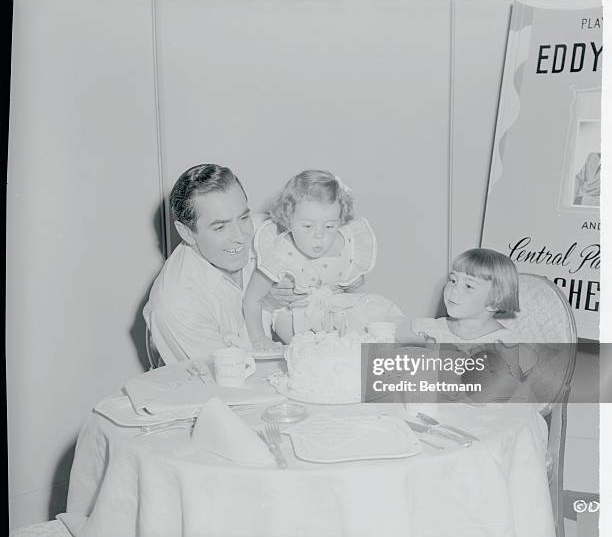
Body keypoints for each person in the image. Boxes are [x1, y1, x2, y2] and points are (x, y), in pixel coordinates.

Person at [143, 164, 300, 364]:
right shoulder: (175, 304)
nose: (241, 236)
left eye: (243, 217)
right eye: (220, 227)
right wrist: (266, 305)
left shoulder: (267, 235)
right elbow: (227, 382)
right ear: (187, 233)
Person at [243, 169, 404, 350]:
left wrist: (349, 280)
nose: (319, 235)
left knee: (371, 322)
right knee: (313, 354)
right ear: (288, 218)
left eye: (329, 226)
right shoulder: (280, 252)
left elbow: (346, 280)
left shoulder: (345, 243)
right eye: (307, 226)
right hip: (295, 318)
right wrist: (259, 338)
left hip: (332, 314)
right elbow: (252, 300)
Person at [396, 248, 532, 400]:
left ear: (495, 302)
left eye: (468, 286)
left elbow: (510, 393)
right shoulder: (432, 330)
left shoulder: (502, 342)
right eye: (453, 280)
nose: (454, 290)